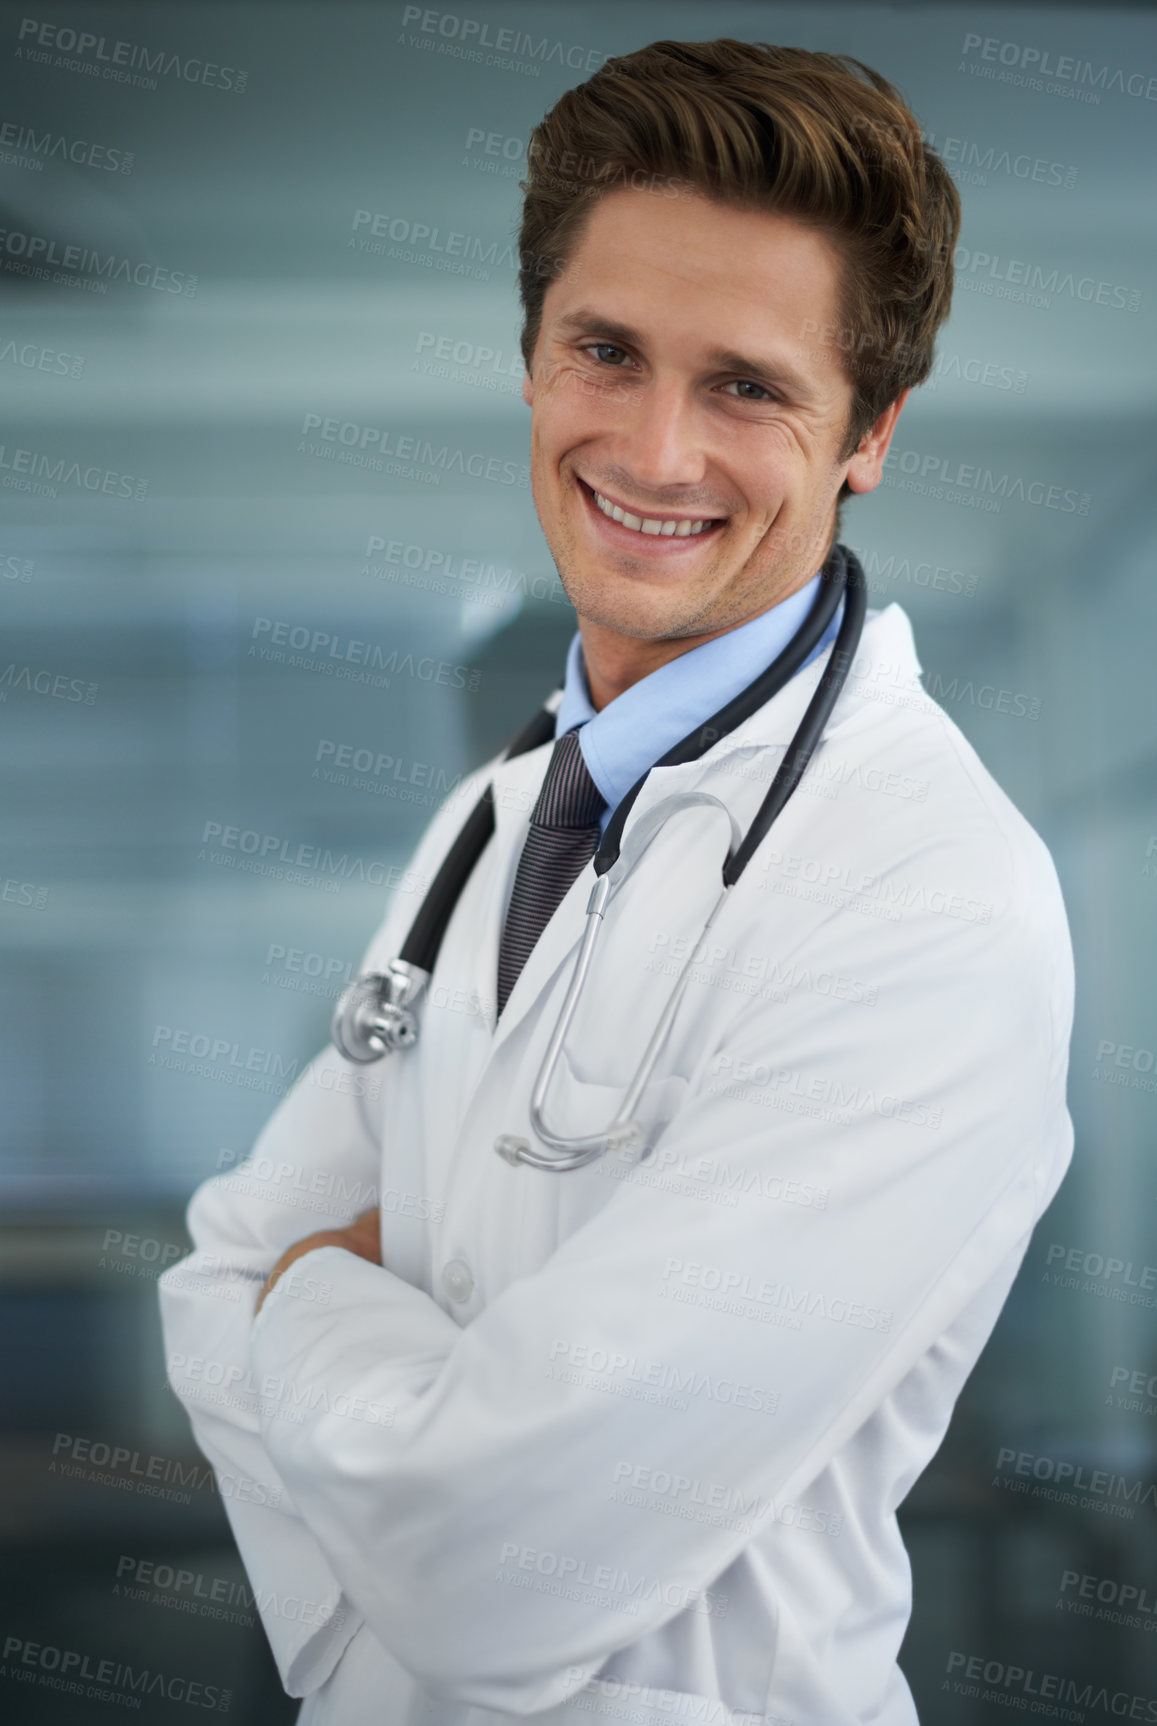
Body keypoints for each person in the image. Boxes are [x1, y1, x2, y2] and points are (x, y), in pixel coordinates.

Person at [159, 38, 1074, 1726]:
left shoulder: (930, 898)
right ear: (529, 362)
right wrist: (388, 1609)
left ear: (868, 428)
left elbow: (493, 1566)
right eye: (605, 351)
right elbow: (211, 1270)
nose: (654, 451)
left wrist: (318, 1310)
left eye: (747, 385)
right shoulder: (491, 822)